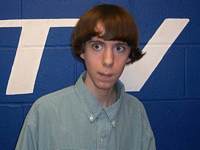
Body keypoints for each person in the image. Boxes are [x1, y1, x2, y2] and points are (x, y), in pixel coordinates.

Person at [15, 3, 156, 150]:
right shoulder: (44, 112)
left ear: (129, 55)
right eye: (97, 46)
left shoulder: (136, 112)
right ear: (82, 51)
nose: (108, 60)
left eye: (119, 48)